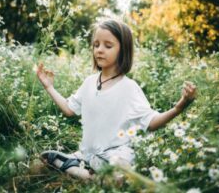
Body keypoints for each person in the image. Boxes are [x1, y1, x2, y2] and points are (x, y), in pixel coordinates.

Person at [36, 19, 196, 180]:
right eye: (96, 44)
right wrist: (49, 87)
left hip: (117, 155)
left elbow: (152, 122)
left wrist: (180, 106)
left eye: (108, 45)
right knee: (40, 162)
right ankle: (83, 170)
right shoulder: (89, 82)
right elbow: (69, 109)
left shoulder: (129, 87)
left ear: (123, 50)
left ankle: (76, 171)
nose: (99, 50)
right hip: (87, 153)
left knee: (119, 175)